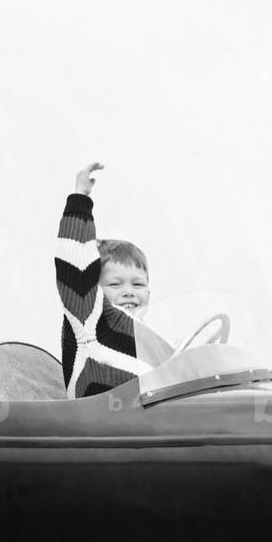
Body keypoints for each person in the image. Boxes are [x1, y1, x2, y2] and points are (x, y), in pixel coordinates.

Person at [54, 163, 173, 398]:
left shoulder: (151, 345)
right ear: (94, 291)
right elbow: (75, 264)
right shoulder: (93, 322)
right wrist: (80, 198)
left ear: (149, 292)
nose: (128, 292)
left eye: (138, 284)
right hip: (100, 427)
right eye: (115, 284)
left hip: (150, 428)